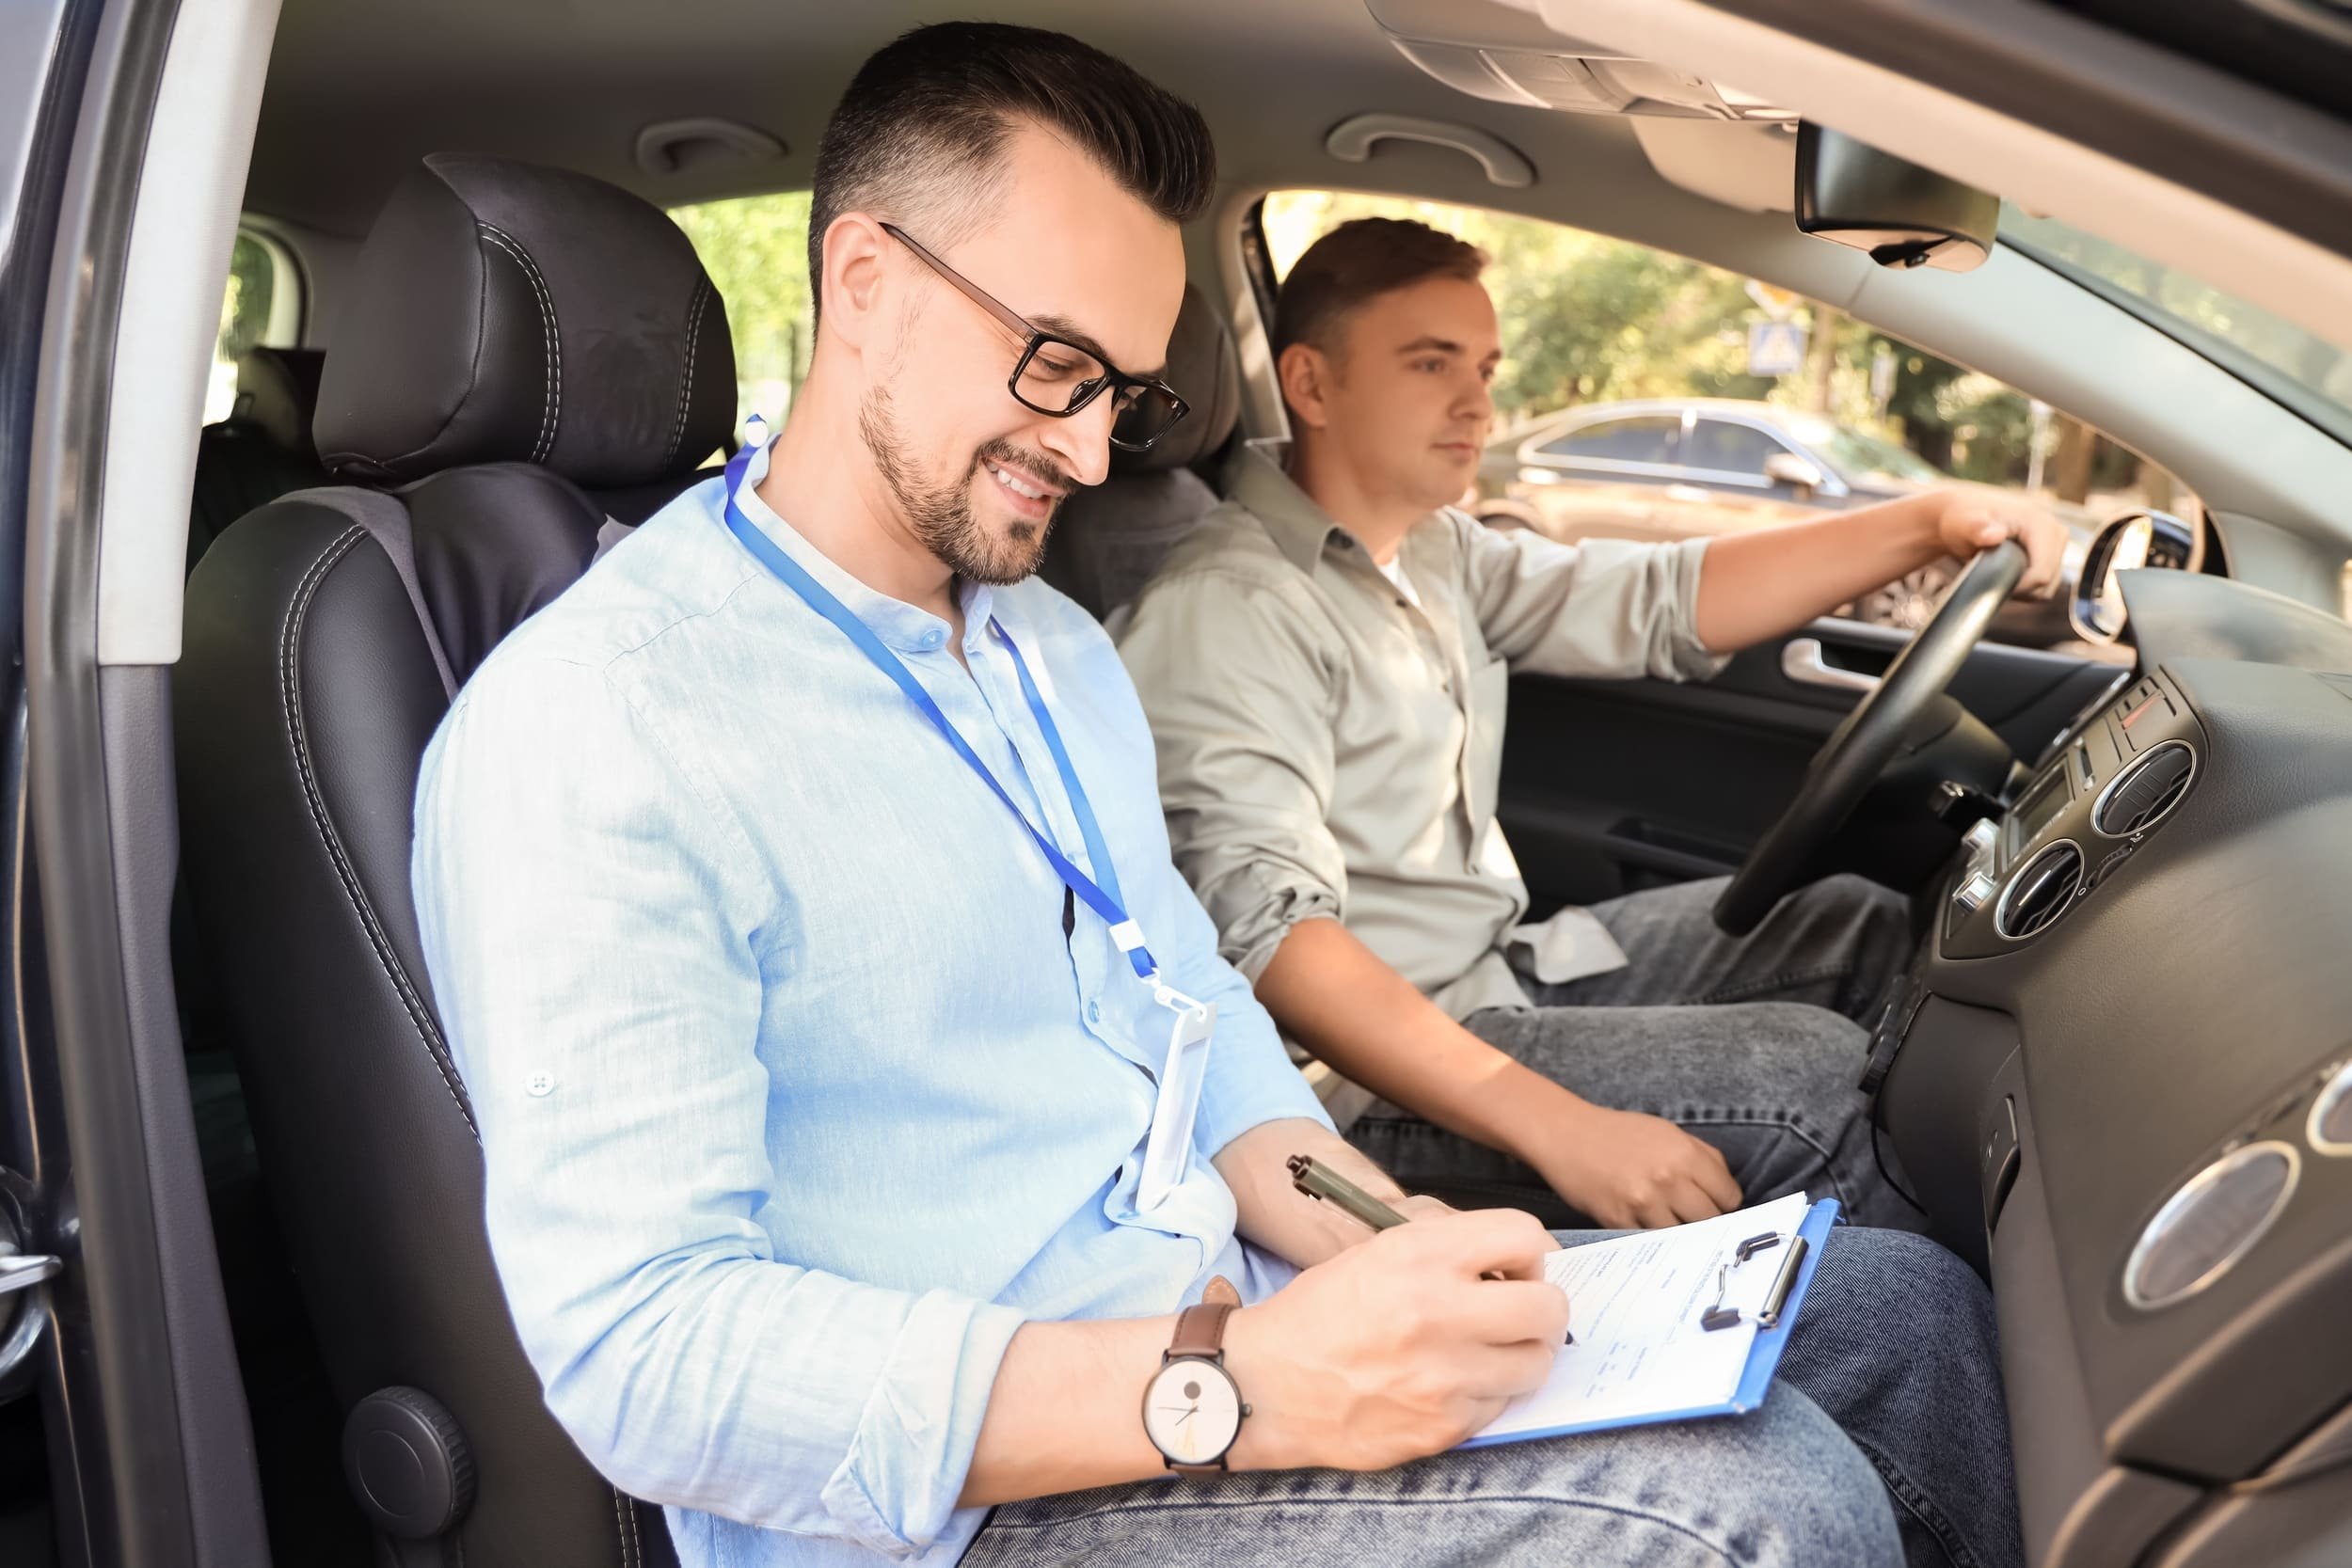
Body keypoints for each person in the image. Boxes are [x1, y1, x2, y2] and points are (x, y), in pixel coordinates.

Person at [413, 24, 2020, 1568]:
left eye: (1124, 389)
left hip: (1227, 1312)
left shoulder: (1046, 648)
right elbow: (648, 1353)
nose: (1096, 452)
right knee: (1763, 1498)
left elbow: (1191, 999)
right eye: (1055, 365)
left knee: (1898, 1318)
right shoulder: (599, 725)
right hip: (978, 1496)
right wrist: (1238, 1386)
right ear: (864, 282)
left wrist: (1382, 1238)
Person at [1117, 217, 2068, 1235]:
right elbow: (1274, 945)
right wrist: (1561, 1124)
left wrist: (1920, 523)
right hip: (1357, 1082)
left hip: (1496, 966)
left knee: (1853, 918)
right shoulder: (1228, 608)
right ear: (1309, 385)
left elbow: (1660, 599)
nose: (1476, 402)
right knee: (1808, 1081)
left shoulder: (1430, 549)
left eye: (1482, 365)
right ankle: (1949, 1342)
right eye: (1430, 362)